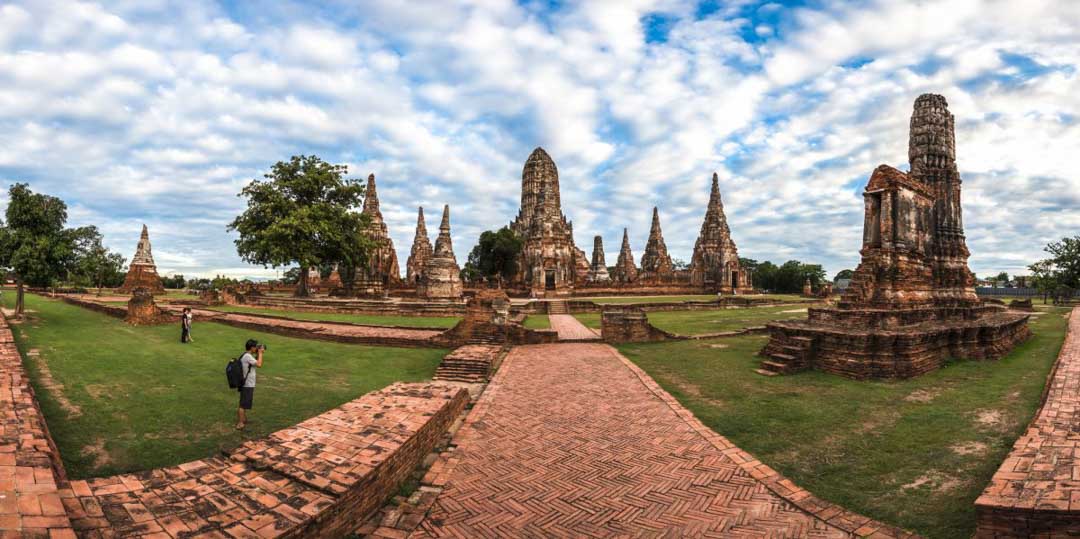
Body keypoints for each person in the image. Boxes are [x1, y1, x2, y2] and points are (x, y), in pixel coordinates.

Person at [236, 339, 264, 430]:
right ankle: (240, 423)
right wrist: (260, 353)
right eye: (256, 347)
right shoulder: (247, 356)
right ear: (252, 347)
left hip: (247, 383)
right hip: (247, 384)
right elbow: (259, 364)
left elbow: (255, 363)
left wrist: (258, 353)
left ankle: (243, 419)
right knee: (243, 404)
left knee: (244, 402)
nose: (257, 348)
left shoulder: (247, 355)